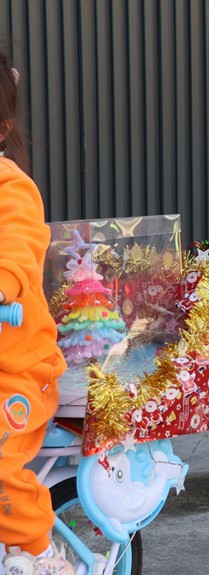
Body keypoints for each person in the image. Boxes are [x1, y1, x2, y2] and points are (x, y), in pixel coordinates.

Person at [0, 51, 74, 575]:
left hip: (17, 369)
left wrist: (3, 281)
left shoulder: (11, 188)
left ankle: (38, 554)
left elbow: (18, 246)